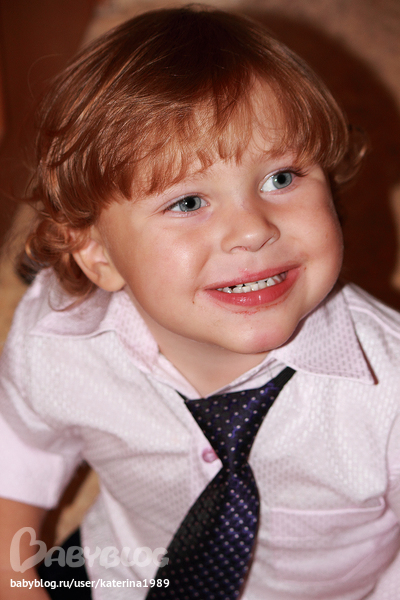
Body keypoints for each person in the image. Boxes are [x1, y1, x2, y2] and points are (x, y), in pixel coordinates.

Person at [0, 5, 400, 600]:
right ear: (97, 254)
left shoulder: (388, 394)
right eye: (188, 202)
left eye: (281, 178)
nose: (253, 230)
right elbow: (20, 449)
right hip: (121, 572)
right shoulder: (59, 335)